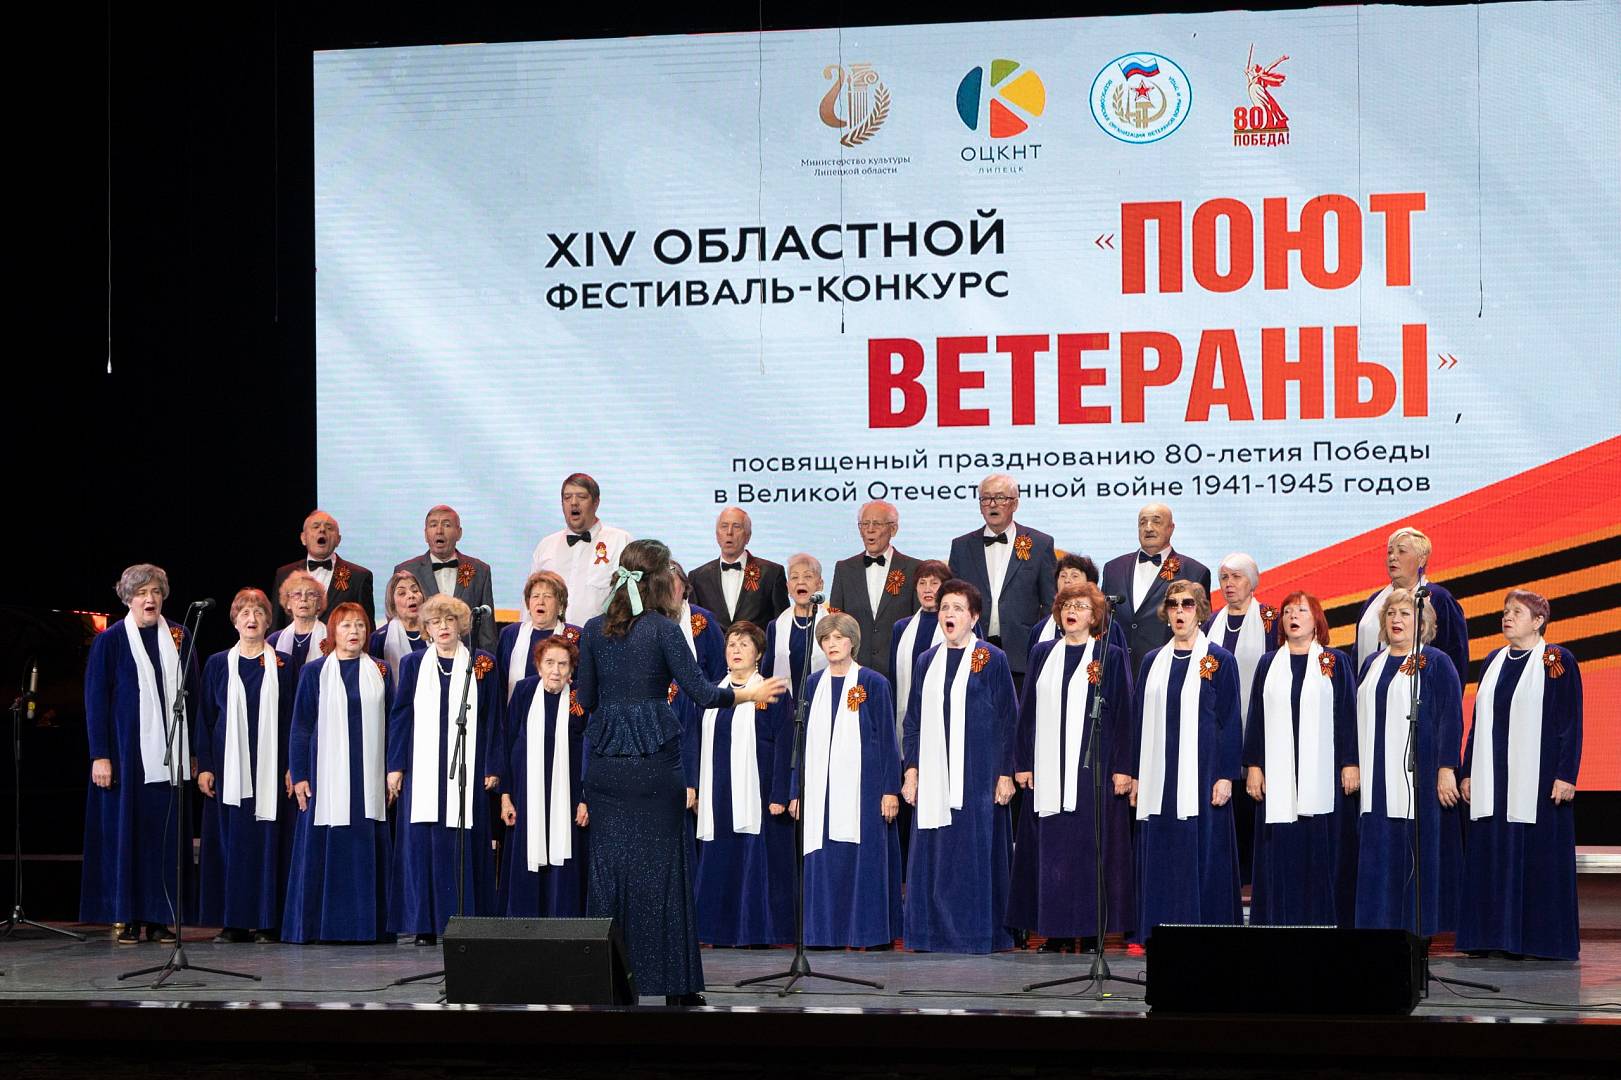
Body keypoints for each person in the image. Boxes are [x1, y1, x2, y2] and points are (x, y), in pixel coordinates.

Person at [571, 539, 786, 1005]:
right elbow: (703, 693)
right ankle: (675, 985)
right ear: (660, 582)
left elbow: (585, 699)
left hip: (607, 765)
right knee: (664, 870)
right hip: (654, 763)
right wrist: (748, 694)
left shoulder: (591, 631)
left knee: (610, 871)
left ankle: (612, 982)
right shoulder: (664, 630)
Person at [1007, 581, 1135, 950]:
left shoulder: (1109, 654)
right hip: (1049, 770)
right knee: (1053, 852)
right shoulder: (1042, 653)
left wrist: (1124, 767)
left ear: (1095, 616)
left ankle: (1093, 932)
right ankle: (1056, 932)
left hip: (1093, 770)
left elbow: (1124, 712)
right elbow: (1028, 711)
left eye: (1080, 606)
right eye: (1066, 605)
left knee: (1089, 851)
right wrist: (1023, 762)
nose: (1071, 611)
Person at [1457, 590, 1583, 960]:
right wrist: (1468, 772)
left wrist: (1566, 773)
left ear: (1539, 621)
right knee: (1493, 852)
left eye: (1517, 612)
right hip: (1494, 779)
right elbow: (1479, 722)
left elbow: (1570, 721)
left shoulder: (1556, 659)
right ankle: (1491, 937)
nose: (1507, 617)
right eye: (1505, 611)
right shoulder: (1493, 660)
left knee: (1535, 855)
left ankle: (1538, 940)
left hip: (1539, 781)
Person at [81, 564, 199, 944]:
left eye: (156, 592)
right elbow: (95, 700)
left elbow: (194, 696)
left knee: (164, 840)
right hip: (126, 758)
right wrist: (100, 754)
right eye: (142, 593)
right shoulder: (111, 640)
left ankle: (161, 916)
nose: (150, 599)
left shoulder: (179, 635)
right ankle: (128, 916)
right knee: (128, 836)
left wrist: (194, 752)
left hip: (170, 758)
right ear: (128, 598)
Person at [1119, 580, 1243, 939]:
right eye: (1173, 605)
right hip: (1159, 774)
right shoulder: (1152, 662)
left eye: (1187, 604)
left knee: (1201, 849)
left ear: (1200, 611)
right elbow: (1139, 720)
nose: (1179, 611)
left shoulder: (1220, 660)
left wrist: (1225, 775)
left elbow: (1230, 720)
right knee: (1162, 850)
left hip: (1203, 774)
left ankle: (1204, 930)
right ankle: (1157, 929)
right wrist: (1136, 775)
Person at [900, 579, 1017, 953]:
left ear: (974, 617)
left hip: (979, 775)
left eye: (958, 608)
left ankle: (977, 934)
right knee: (935, 854)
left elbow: (1008, 719)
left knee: (973, 853)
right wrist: (911, 771)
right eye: (945, 608)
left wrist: (1006, 773)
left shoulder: (991, 658)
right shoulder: (926, 660)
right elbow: (913, 720)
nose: (949, 614)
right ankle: (929, 933)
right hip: (934, 775)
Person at [387, 595, 504, 945]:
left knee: (461, 842)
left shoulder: (482, 664)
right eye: (436, 622)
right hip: (422, 770)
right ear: (426, 628)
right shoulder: (412, 664)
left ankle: (464, 922)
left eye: (449, 621)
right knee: (423, 845)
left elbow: (493, 717)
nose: (443, 627)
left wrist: (492, 765)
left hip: (468, 768)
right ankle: (424, 925)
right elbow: (400, 716)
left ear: (461, 625)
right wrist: (395, 765)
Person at [1241, 592, 1358, 927]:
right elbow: (1257, 717)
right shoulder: (1268, 663)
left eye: (1301, 610)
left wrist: (1350, 762)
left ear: (1316, 619)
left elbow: (1346, 714)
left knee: (1321, 846)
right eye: (1288, 611)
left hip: (1323, 774)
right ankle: (1279, 922)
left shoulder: (1334, 661)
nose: (1293, 616)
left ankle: (1325, 923)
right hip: (1278, 776)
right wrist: (1254, 766)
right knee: (1281, 847)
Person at [1353, 587, 1464, 937]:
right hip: (1375, 775)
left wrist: (1447, 767)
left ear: (1423, 622)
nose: (1396, 620)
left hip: (1418, 775)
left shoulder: (1436, 662)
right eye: (1391, 614)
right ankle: (1376, 929)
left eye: (1404, 613)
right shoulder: (1372, 663)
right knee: (1377, 850)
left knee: (1412, 852)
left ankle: (1414, 933)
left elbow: (1450, 717)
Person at [283, 603, 394, 944]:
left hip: (367, 776)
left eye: (360, 625)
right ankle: (318, 927)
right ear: (333, 632)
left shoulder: (381, 670)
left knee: (363, 847)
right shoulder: (314, 672)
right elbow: (301, 726)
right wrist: (299, 774)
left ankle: (367, 928)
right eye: (346, 626)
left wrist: (392, 770)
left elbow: (393, 724)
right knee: (323, 845)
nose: (354, 631)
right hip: (324, 776)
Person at [790, 611, 902, 948]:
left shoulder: (873, 683)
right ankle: (825, 934)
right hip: (820, 791)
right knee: (823, 858)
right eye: (826, 639)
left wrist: (890, 790)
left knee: (862, 858)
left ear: (853, 642)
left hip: (864, 789)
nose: (832, 644)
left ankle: (867, 933)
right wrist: (796, 790)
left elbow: (887, 740)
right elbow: (801, 742)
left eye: (839, 638)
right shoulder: (812, 684)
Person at [685, 620, 796, 946]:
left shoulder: (773, 691)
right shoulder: (711, 693)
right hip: (718, 793)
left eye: (744, 645)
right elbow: (693, 741)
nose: (736, 650)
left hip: (759, 794)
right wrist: (695, 787)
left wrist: (780, 793)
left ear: (758, 654)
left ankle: (756, 932)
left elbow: (785, 744)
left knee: (755, 860)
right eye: (732, 644)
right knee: (720, 858)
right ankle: (717, 931)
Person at [196, 588, 296, 943]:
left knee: (270, 843)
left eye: (258, 613)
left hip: (273, 770)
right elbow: (205, 718)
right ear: (234, 621)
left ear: (269, 621)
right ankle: (234, 922)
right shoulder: (217, 663)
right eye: (244, 613)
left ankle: (269, 921)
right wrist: (205, 766)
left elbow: (294, 720)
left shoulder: (285, 664)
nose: (251, 619)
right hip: (229, 771)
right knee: (234, 845)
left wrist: (293, 766)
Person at [498, 635, 589, 918]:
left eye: (563, 664)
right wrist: (505, 796)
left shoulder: (580, 698)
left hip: (568, 795)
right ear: (538, 665)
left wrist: (585, 798)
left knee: (566, 861)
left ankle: (562, 923)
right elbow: (507, 742)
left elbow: (591, 751)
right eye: (549, 663)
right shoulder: (524, 691)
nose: (555, 671)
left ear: (571, 670)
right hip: (526, 794)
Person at [1203, 552, 1279, 885]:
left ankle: (1253, 878)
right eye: (1224, 578)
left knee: (1253, 801)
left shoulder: (1271, 619)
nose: (1229, 584)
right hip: (1219, 728)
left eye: (1236, 577)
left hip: (1259, 724)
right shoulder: (1209, 624)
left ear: (1252, 582)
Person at [947, 474, 1056, 685]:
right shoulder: (961, 546)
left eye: (1000, 498)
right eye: (986, 498)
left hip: (1023, 655)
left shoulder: (1040, 544)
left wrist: (1040, 646)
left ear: (1015, 503)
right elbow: (953, 601)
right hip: (971, 651)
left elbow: (1050, 603)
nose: (992, 504)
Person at [1101, 502, 1212, 677]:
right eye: (1142, 522)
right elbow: (1103, 621)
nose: (1148, 528)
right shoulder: (1113, 569)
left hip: (1167, 673)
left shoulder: (1194, 572)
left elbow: (1200, 629)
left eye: (1156, 521)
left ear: (1171, 528)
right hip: (1116, 673)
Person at [1353, 526, 1469, 685]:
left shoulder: (1439, 599)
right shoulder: (1373, 602)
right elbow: (1356, 658)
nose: (1392, 557)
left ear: (1422, 559)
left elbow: (1456, 660)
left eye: (1401, 551)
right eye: (1389, 552)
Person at [829, 500, 921, 680]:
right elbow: (835, 621)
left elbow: (918, 623)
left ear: (893, 529)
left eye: (877, 524)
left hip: (899, 671)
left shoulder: (913, 568)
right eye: (865, 524)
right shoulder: (844, 569)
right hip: (854, 671)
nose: (870, 530)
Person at [529, 472, 632, 626]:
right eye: (567, 497)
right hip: (553, 638)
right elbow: (530, 599)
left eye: (581, 497)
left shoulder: (620, 541)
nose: (574, 503)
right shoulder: (546, 546)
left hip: (601, 637)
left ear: (596, 503)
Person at [394, 504, 497, 652]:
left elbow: (487, 632)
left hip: (467, 659)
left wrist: (486, 662)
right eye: (433, 525)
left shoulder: (480, 570)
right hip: (420, 658)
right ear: (425, 534)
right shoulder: (407, 570)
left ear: (459, 533)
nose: (439, 531)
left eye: (447, 525)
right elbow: (397, 627)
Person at [688, 506, 789, 632]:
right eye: (724, 526)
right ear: (717, 535)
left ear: (748, 536)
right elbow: (694, 626)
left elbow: (782, 625)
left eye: (736, 526)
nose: (729, 532)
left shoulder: (772, 573)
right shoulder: (697, 577)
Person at [1027, 553, 1131, 672]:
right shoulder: (1040, 629)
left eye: (1074, 575)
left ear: (1090, 583)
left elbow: (1120, 670)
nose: (1067, 580)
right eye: (1063, 575)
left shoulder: (1107, 626)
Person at [273, 509, 374, 626]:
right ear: (303, 538)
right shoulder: (284, 574)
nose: (322, 530)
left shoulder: (359, 577)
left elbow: (368, 627)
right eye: (315, 527)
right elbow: (276, 624)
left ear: (338, 540)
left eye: (329, 528)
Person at [497, 570, 581, 704]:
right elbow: (500, 683)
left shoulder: (576, 636)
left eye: (547, 596)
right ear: (528, 604)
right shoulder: (510, 633)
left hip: (559, 711)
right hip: (517, 711)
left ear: (560, 605)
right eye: (535, 596)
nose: (540, 602)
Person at [764, 553, 832, 700]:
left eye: (808, 576)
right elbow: (767, 673)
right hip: (784, 705)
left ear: (820, 584)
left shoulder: (832, 625)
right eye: (794, 577)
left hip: (823, 702)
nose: (800, 582)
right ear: (788, 587)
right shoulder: (775, 626)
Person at [370, 569, 428, 680]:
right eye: (402, 593)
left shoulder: (435, 632)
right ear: (392, 603)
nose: (411, 596)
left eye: (415, 590)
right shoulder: (379, 638)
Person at [268, 570, 327, 679]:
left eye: (311, 594)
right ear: (288, 603)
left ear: (319, 603)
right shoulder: (273, 641)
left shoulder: (331, 638)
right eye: (297, 594)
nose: (303, 599)